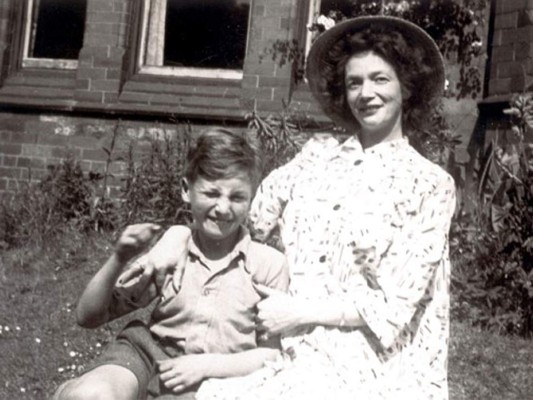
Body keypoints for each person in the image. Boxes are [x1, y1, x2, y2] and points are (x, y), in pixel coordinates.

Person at [185, 16, 455, 399]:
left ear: (406, 86)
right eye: (354, 83)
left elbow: (394, 307)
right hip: (291, 341)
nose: (366, 93)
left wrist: (299, 311)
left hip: (377, 363)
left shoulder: (429, 185)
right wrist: (182, 241)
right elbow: (247, 220)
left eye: (380, 79)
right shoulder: (314, 159)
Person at [53, 128, 289, 400]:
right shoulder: (170, 252)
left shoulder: (268, 265)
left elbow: (273, 353)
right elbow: (89, 316)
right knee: (92, 396)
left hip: (220, 377)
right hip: (149, 356)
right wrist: (119, 258)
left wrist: (206, 366)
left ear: (251, 198)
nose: (223, 208)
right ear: (186, 190)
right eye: (211, 193)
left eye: (237, 197)